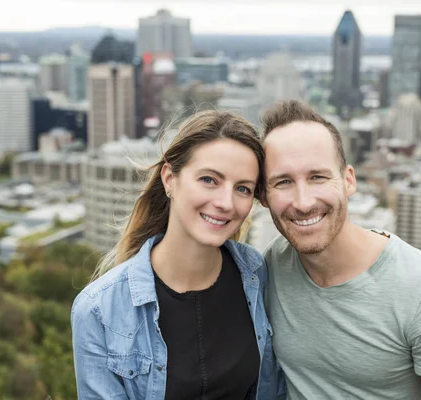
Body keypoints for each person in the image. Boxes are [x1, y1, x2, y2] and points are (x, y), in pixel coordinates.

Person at [260, 100, 421, 400]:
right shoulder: (271, 266)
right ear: (263, 196)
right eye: (283, 182)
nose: (303, 202)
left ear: (348, 180)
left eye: (318, 177)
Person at [71, 111, 283, 400]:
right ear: (170, 179)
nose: (225, 202)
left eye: (242, 188)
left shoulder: (256, 273)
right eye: (209, 180)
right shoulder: (99, 310)